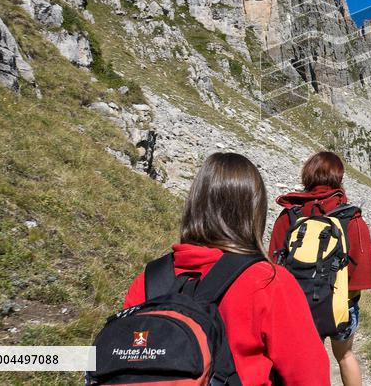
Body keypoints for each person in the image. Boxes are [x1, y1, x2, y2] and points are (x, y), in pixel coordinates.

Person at [123, 153, 329, 386]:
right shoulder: (268, 282)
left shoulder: (149, 278)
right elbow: (311, 377)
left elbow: (120, 357)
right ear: (254, 213)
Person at [269, 151, 371, 386]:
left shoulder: (289, 216)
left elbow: (274, 265)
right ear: (339, 178)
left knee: (307, 360)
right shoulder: (352, 220)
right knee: (346, 355)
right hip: (342, 308)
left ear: (307, 176)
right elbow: (361, 277)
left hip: (300, 304)